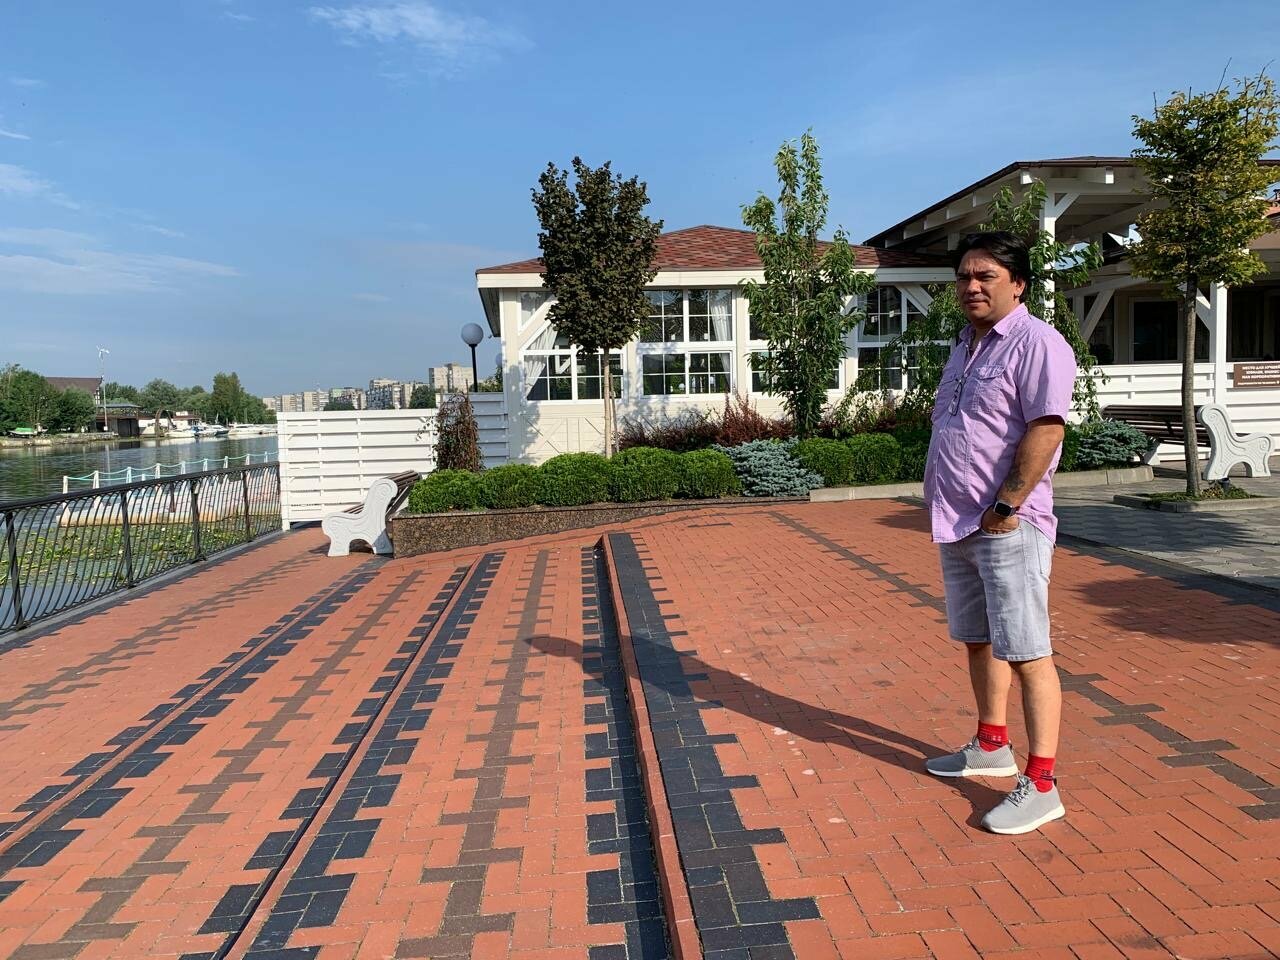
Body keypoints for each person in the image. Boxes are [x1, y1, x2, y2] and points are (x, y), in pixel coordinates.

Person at [922, 231, 1076, 835]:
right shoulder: (965, 344)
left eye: (985, 275)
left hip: (1007, 524)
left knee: (1028, 652)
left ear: (1019, 284)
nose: (971, 286)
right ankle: (991, 745)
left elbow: (1047, 428)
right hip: (959, 521)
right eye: (964, 276)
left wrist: (1007, 504)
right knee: (979, 640)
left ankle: (1042, 784)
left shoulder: (1038, 343)